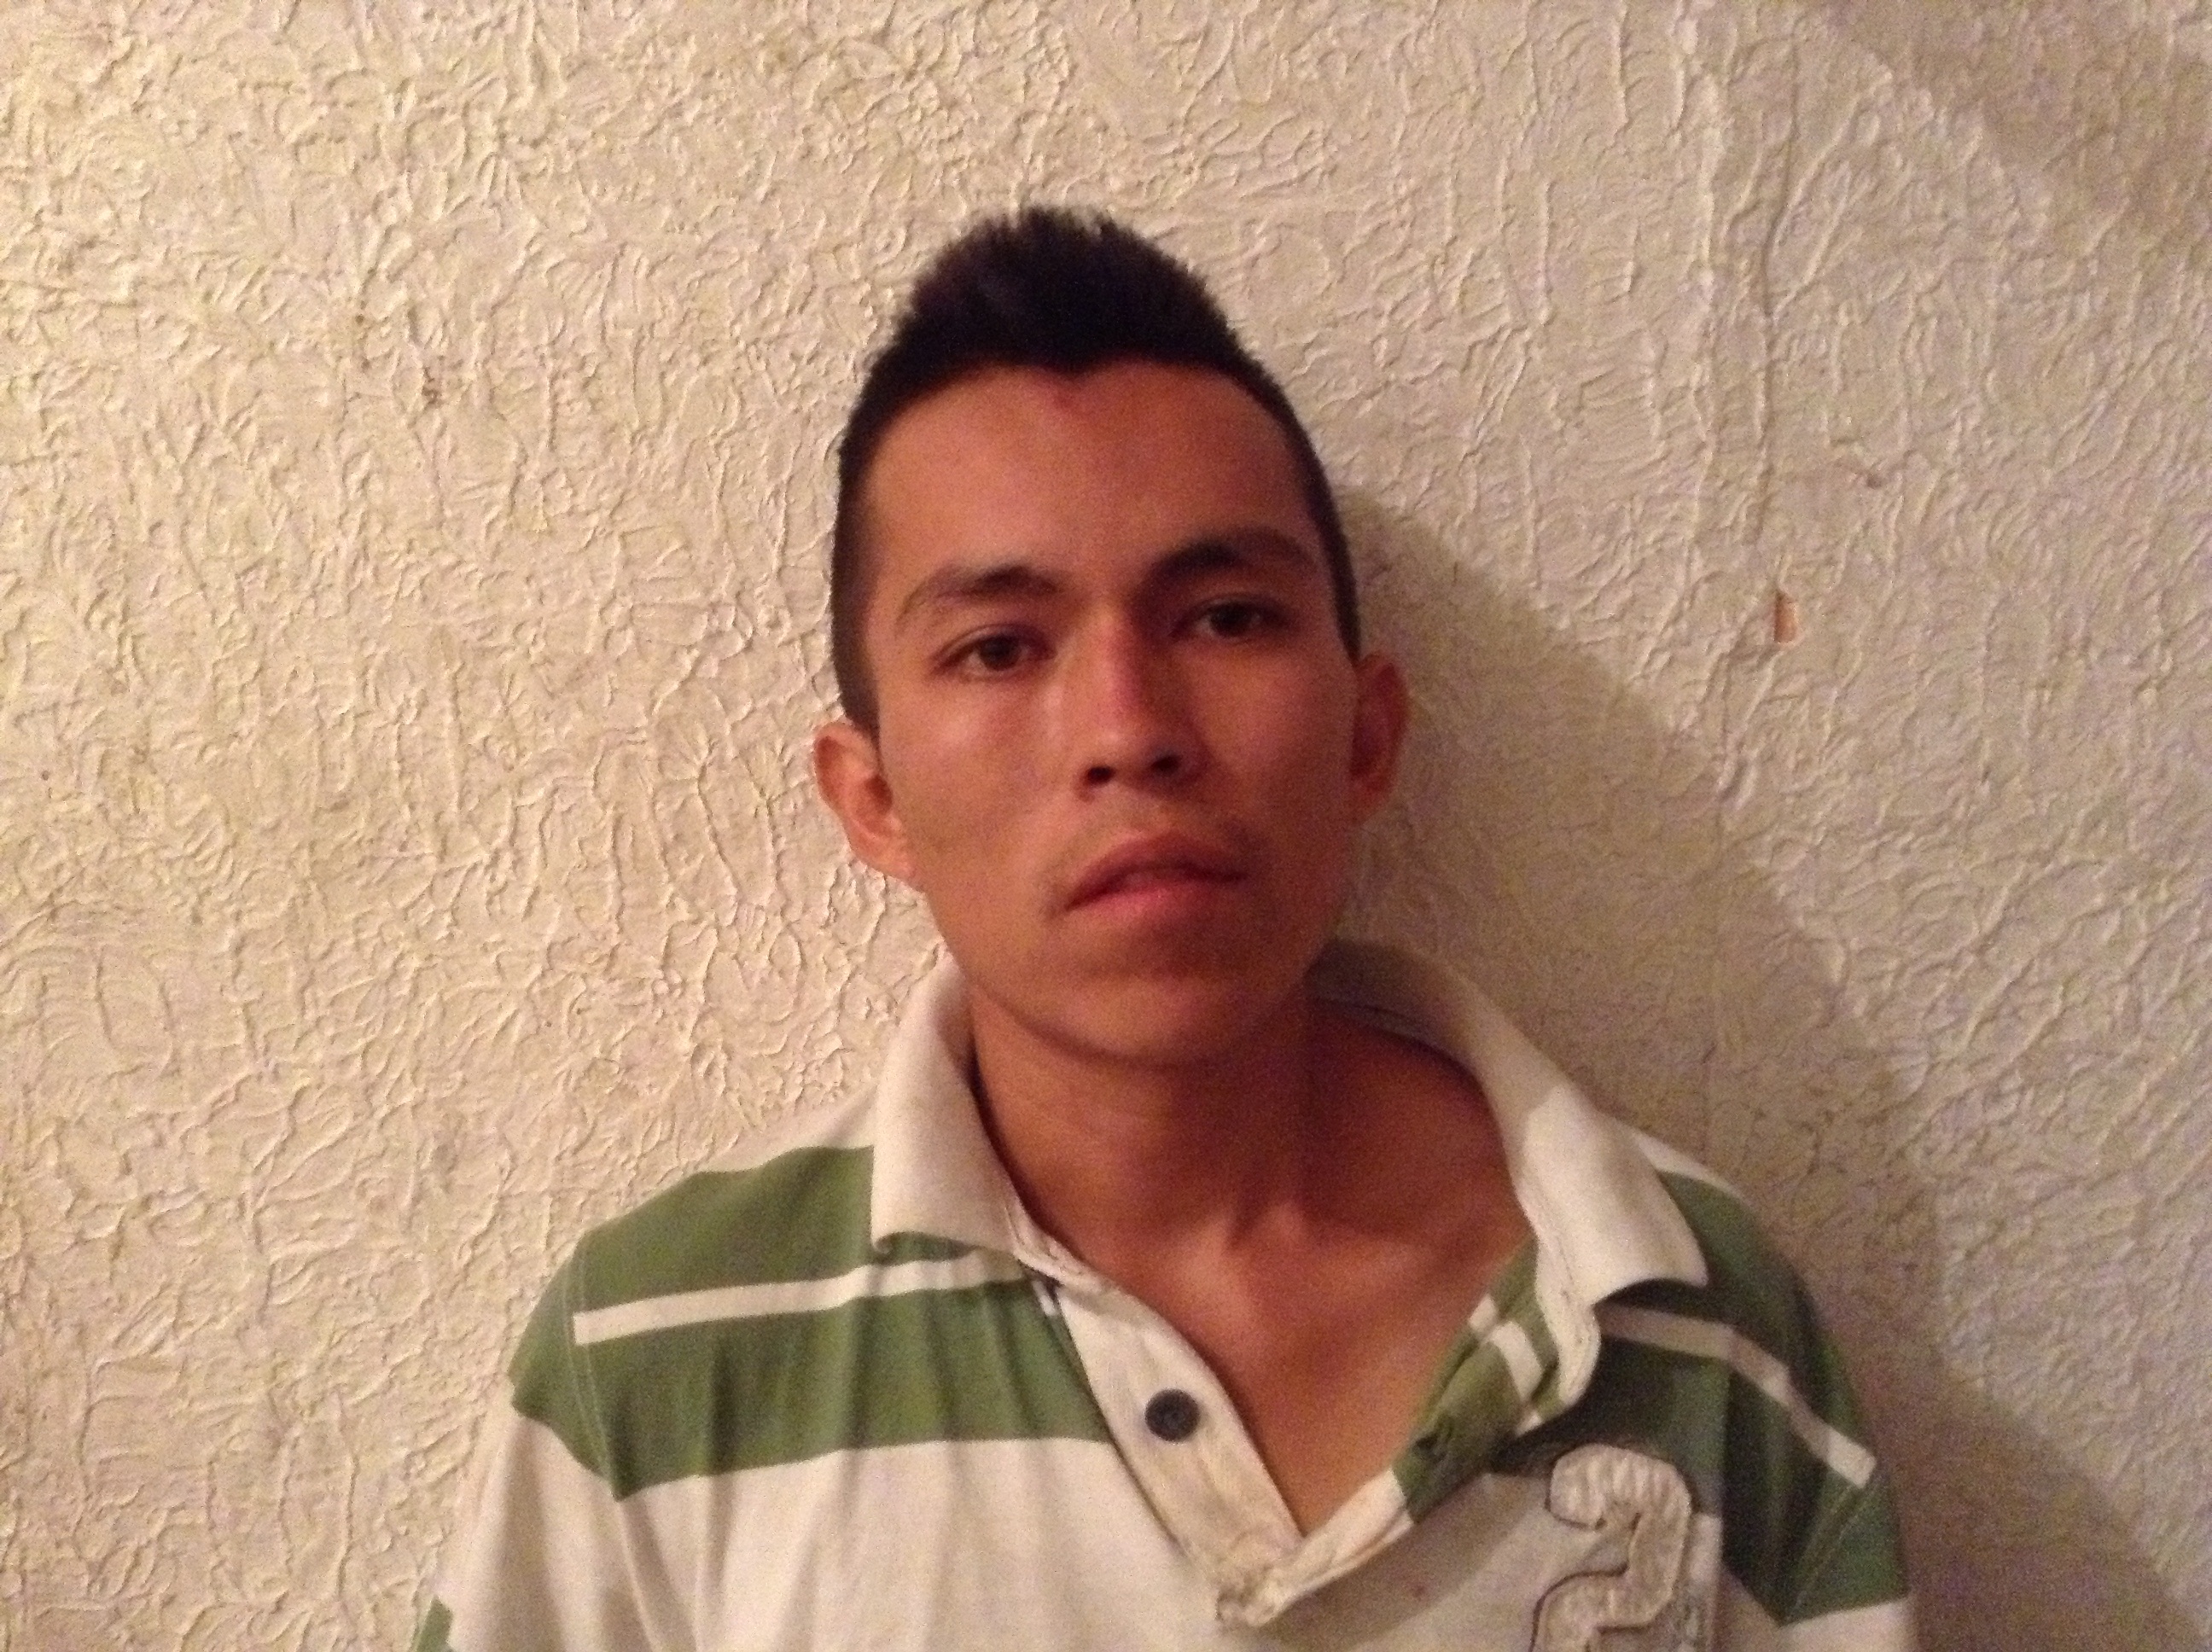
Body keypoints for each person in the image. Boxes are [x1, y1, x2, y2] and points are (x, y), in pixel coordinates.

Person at [414, 206, 1916, 1650]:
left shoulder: (1687, 1315)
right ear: (873, 800)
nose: (1129, 729)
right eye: (998, 647)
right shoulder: (660, 1361)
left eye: (1225, 618)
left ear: (1366, 738)